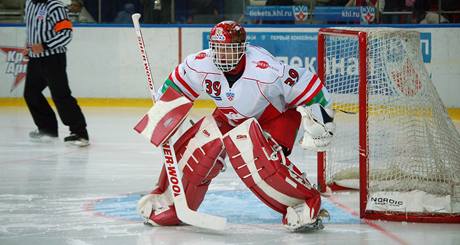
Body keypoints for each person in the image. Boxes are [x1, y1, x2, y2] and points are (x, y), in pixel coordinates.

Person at [136, 20, 335, 231]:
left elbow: (310, 85)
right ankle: (172, 203)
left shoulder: (265, 70)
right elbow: (176, 88)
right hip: (229, 117)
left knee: (253, 156)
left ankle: (304, 203)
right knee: (201, 145)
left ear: (243, 48)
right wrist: (164, 110)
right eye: (218, 49)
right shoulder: (200, 63)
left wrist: (323, 124)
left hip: (274, 119)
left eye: (228, 49)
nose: (222, 55)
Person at [23, 0, 89, 146]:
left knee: (61, 95)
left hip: (53, 58)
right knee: (31, 94)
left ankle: (80, 133)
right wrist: (28, 46)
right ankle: (48, 129)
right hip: (35, 59)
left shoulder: (55, 7)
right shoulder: (29, 4)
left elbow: (66, 34)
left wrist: (45, 46)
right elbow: (31, 28)